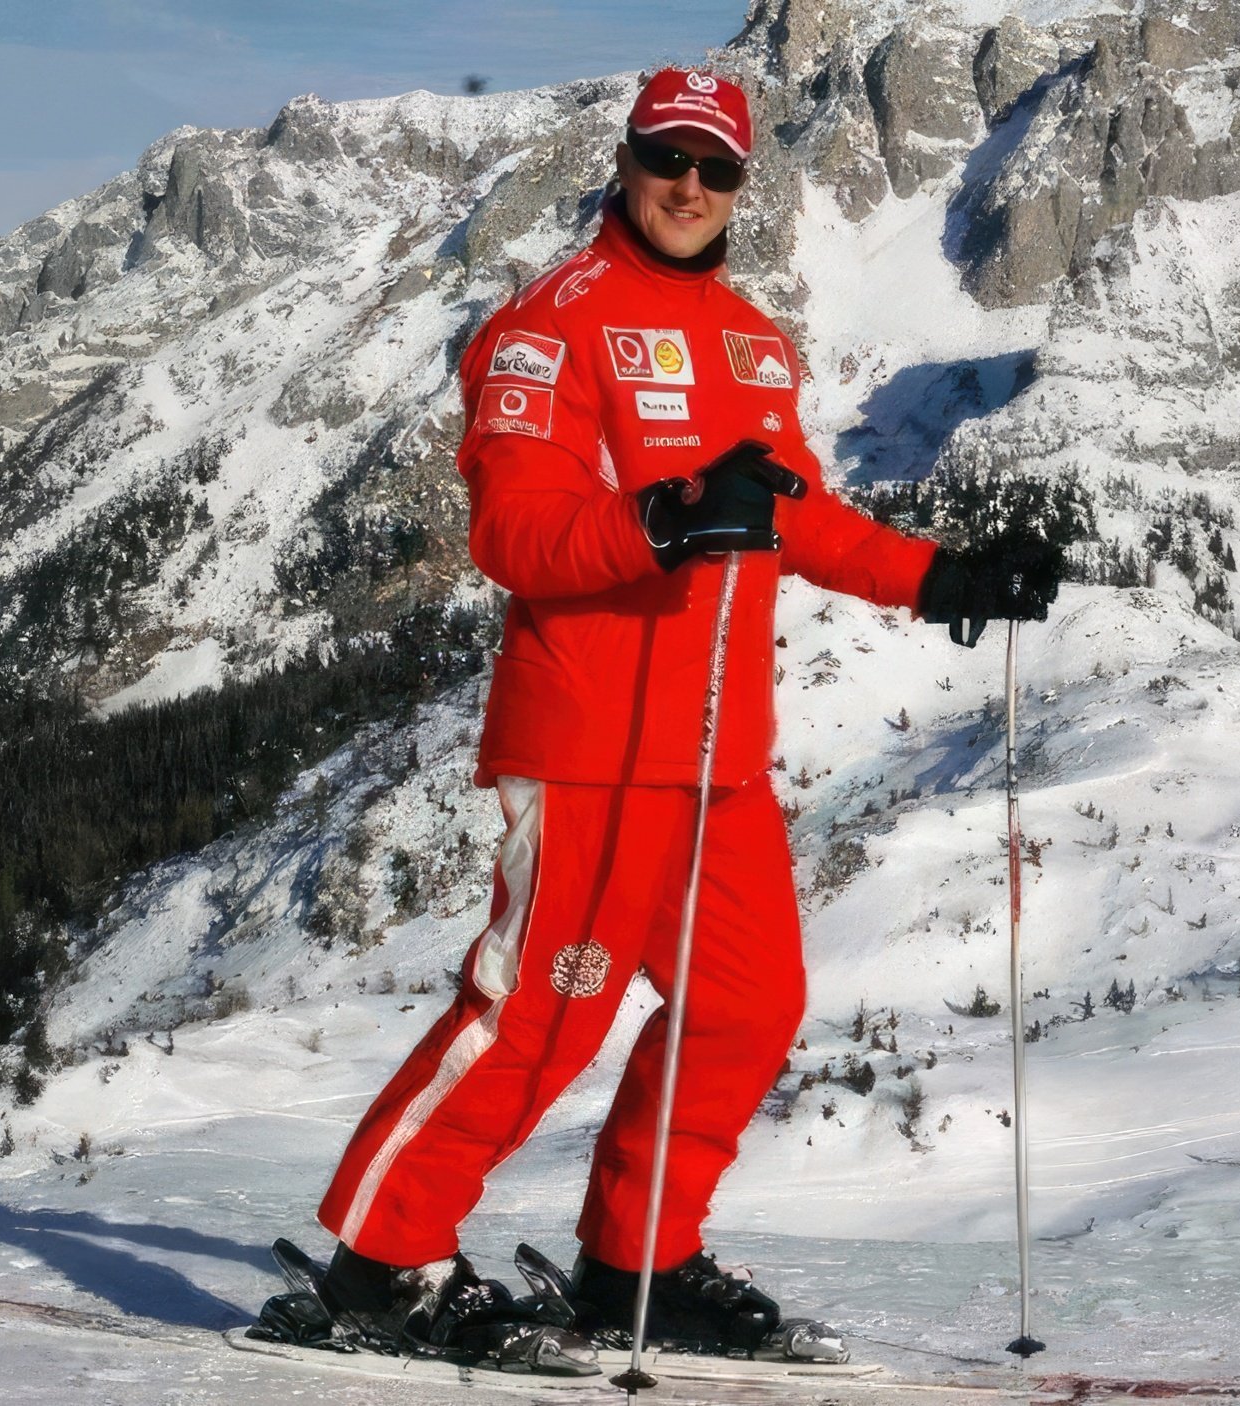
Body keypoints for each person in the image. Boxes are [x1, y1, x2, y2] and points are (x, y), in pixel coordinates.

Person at [300, 68, 1063, 1368]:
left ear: (739, 186)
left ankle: (634, 1262)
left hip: (717, 756)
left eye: (717, 170)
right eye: (670, 158)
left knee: (747, 1005)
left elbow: (800, 514)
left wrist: (944, 576)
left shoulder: (753, 339)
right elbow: (514, 530)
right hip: (592, 743)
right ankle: (382, 1261)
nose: (690, 187)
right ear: (631, 158)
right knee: (541, 1009)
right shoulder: (550, 326)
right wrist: (657, 514)